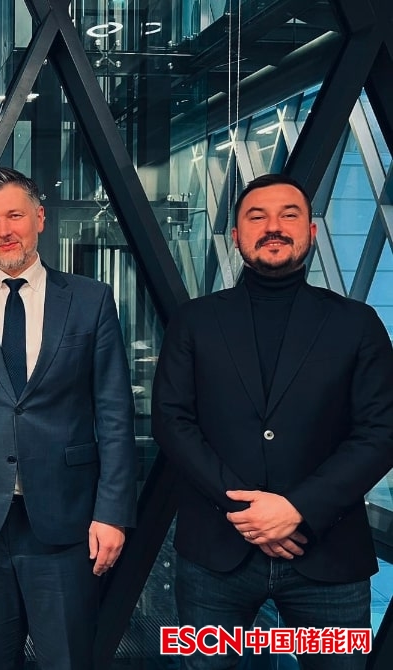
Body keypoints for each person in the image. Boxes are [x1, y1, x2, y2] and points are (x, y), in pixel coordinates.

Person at [152, 173, 393, 669]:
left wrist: (298, 508)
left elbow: (381, 432)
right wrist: (247, 511)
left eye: (289, 215)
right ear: (235, 235)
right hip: (215, 554)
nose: (273, 227)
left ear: (312, 231)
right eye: (257, 217)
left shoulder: (357, 323)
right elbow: (172, 423)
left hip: (329, 554)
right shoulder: (194, 321)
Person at [0, 166, 137, 669]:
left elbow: (114, 415)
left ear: (39, 218)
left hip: (65, 519)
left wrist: (112, 512)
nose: (4, 230)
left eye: (14, 215)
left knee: (67, 658)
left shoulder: (90, 300)